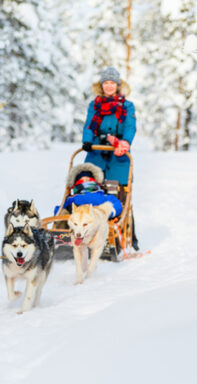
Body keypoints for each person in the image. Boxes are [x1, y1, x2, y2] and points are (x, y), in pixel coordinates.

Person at [81, 66, 139, 249]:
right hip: (97, 152)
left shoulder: (126, 106)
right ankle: (86, 230)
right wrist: (87, 141)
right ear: (101, 85)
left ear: (118, 85)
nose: (109, 86)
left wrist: (125, 143)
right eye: (106, 82)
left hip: (118, 155)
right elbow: (89, 125)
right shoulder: (95, 104)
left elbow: (130, 126)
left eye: (112, 83)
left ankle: (127, 235)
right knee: (88, 187)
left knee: (119, 193)